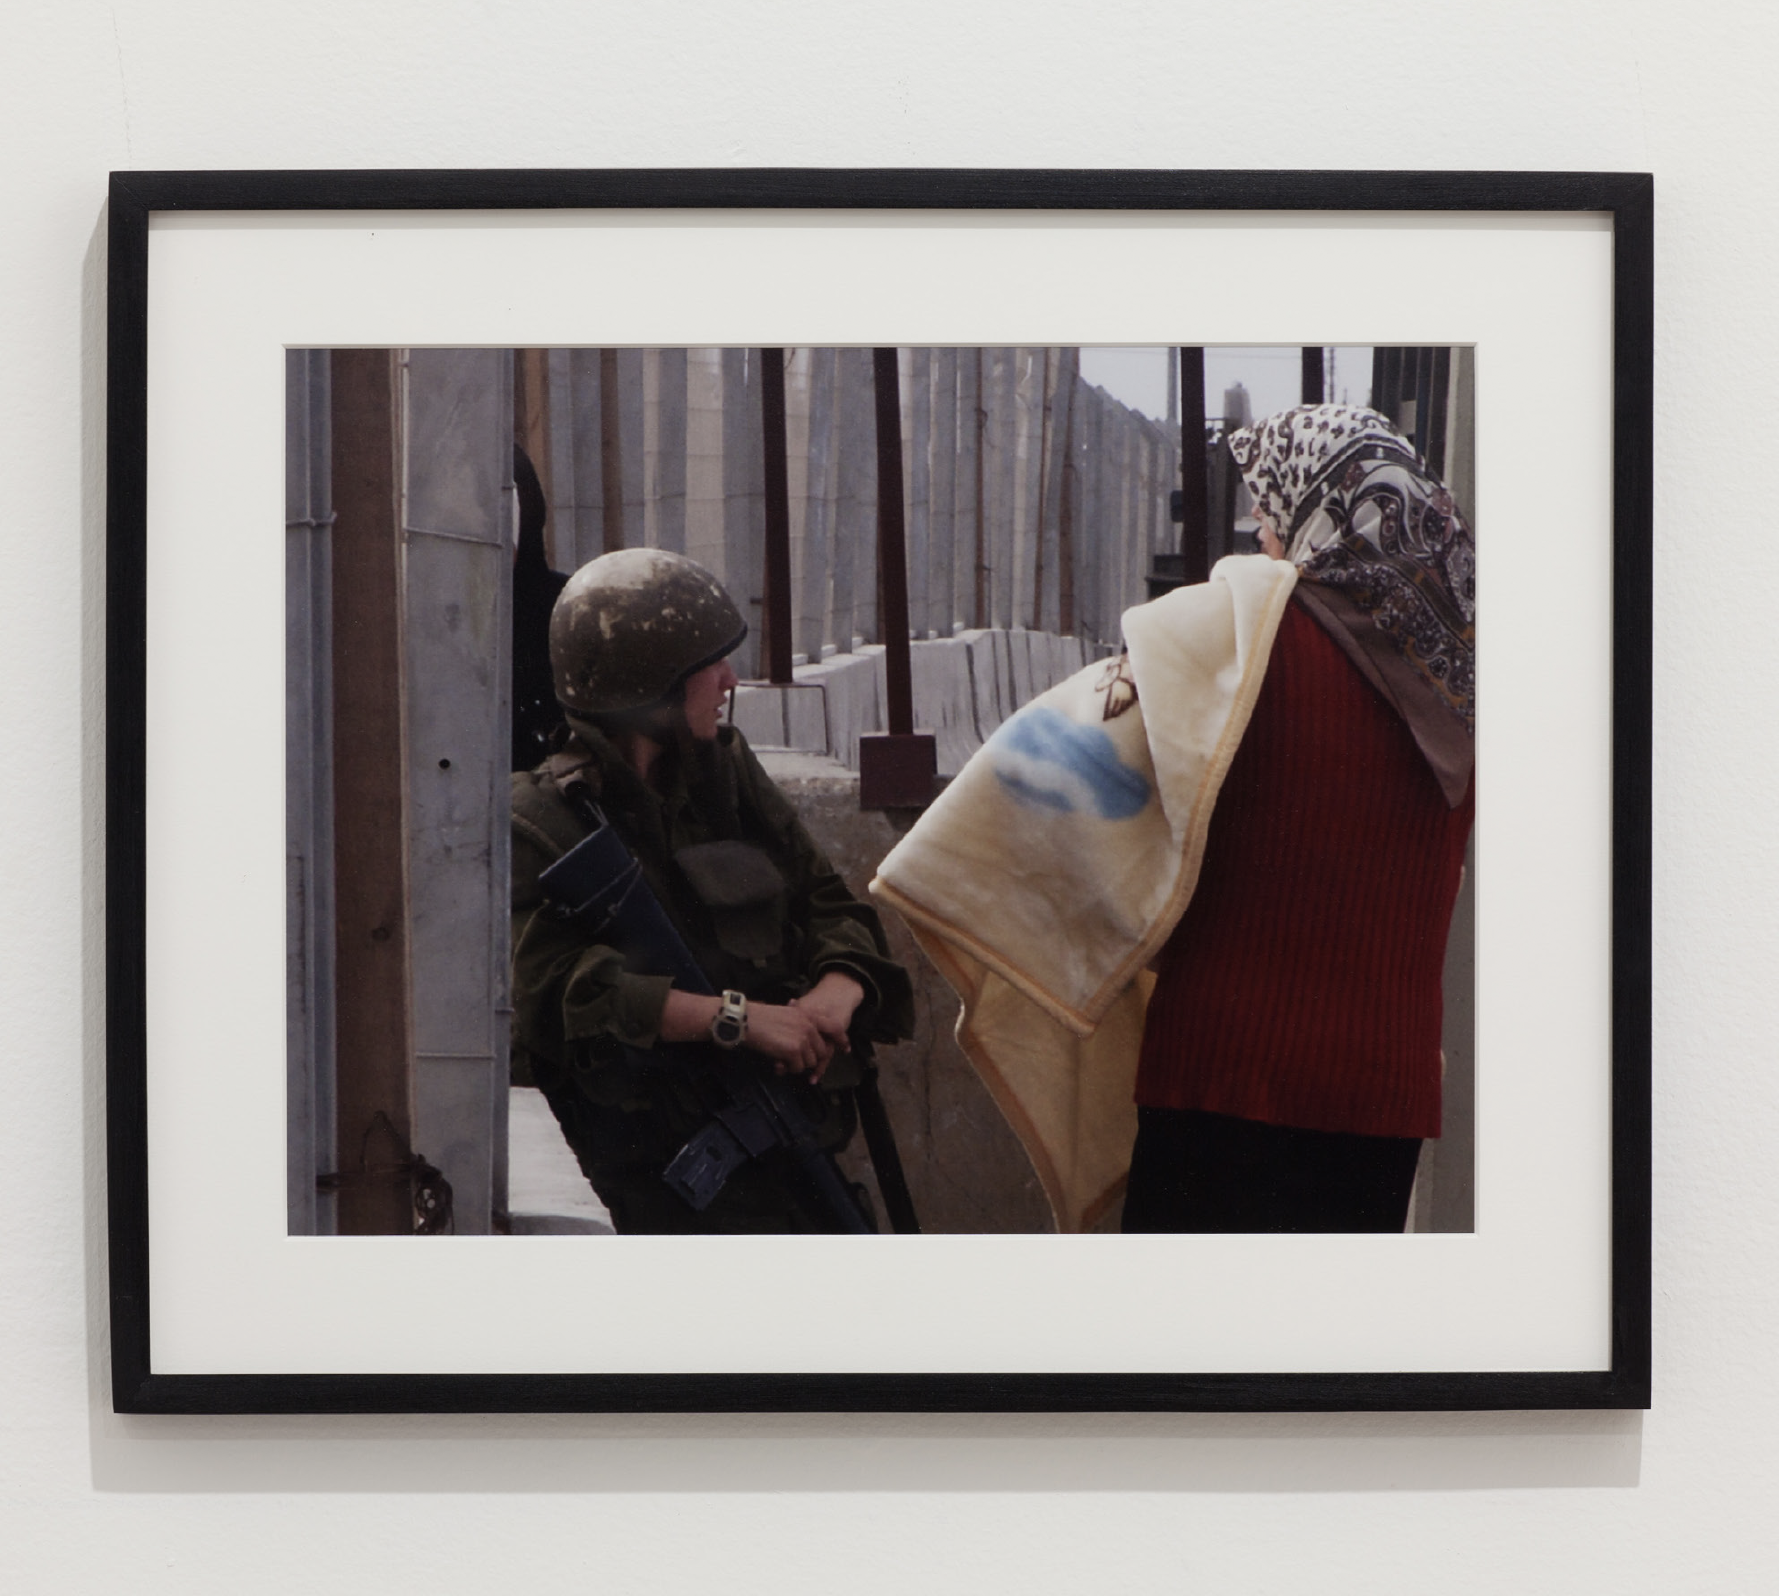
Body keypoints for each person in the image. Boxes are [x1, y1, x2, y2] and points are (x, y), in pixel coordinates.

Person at [1120, 403, 1475, 1232]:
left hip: (1220, 1078)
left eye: (1265, 507)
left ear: (1316, 506)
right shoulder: (1463, 674)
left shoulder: (1240, 641)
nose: (1256, 533)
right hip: (1381, 1099)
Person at [509, 547, 914, 1234]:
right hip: (651, 1190)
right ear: (649, 686)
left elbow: (831, 904)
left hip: (789, 1166)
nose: (729, 680)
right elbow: (548, 992)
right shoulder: (538, 819)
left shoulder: (724, 778)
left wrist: (838, 987)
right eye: (708, 666)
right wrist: (737, 1019)